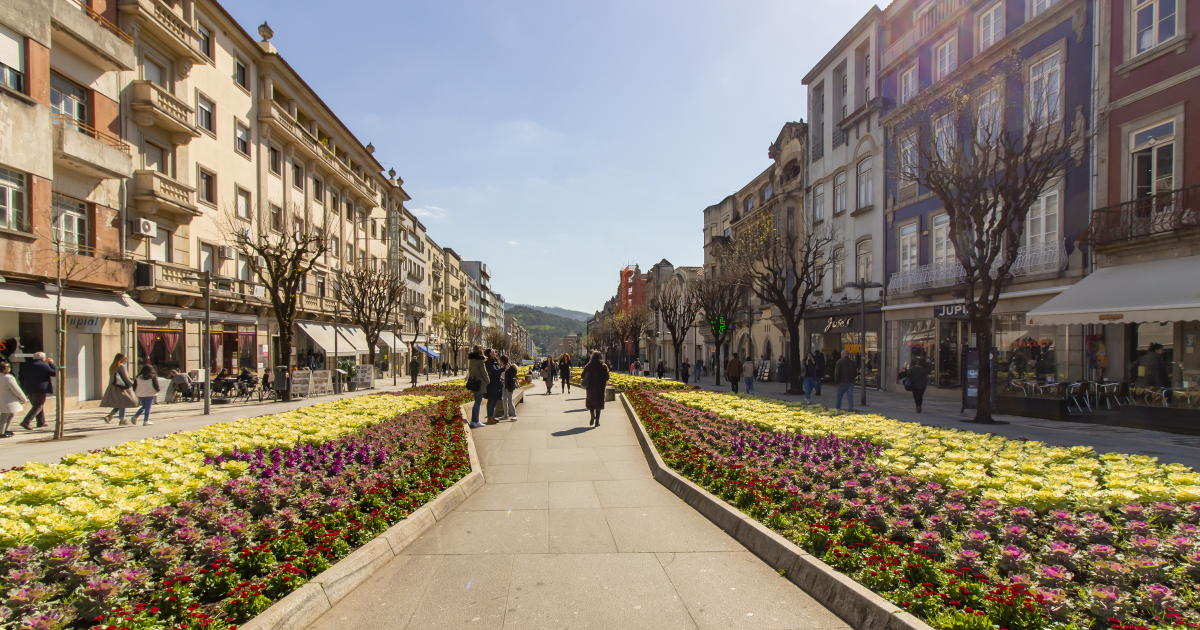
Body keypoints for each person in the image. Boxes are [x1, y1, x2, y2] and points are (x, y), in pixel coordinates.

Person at [18, 352, 57, 430]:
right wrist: (51, 364)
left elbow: (20, 378)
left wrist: (24, 388)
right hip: (40, 389)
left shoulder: (26, 366)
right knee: (38, 405)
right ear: (43, 358)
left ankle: (41, 422)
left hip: (29, 389)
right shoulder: (42, 365)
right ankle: (26, 421)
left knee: (37, 405)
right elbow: (54, 373)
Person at [99, 353, 138, 425]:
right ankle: (122, 420)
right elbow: (126, 378)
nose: (127, 359)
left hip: (114, 388)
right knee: (124, 402)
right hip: (121, 388)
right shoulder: (121, 367)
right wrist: (133, 385)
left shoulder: (112, 367)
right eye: (125, 358)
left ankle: (110, 416)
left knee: (120, 403)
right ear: (121, 359)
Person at [581, 351, 610, 426]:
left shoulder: (589, 365)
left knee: (591, 403)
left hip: (591, 387)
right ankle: (597, 420)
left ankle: (592, 416)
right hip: (600, 388)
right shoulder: (603, 366)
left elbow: (582, 375)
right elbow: (607, 377)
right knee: (598, 405)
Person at [0, 360, 27, 437]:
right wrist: (23, 398)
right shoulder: (8, 378)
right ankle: (1, 432)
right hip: (8, 400)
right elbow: (16, 390)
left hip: (2, 399)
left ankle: (6, 429)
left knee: (11, 414)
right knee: (5, 415)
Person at [466, 345, 489, 428]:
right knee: (478, 403)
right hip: (480, 383)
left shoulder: (471, 360)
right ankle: (475, 421)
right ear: (480, 350)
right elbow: (484, 372)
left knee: (476, 402)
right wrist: (488, 381)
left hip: (474, 383)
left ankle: (473, 421)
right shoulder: (480, 361)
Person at [484, 349, 504, 424]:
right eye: (493, 352)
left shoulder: (495, 360)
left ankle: (492, 416)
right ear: (489, 353)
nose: (494, 353)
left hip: (496, 383)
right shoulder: (489, 361)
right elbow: (494, 371)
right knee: (491, 400)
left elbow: (497, 370)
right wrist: (504, 368)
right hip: (491, 384)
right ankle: (490, 417)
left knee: (495, 400)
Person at [498, 355, 518, 421]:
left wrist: (511, 389)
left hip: (509, 386)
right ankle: (505, 415)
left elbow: (511, 379)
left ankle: (514, 415)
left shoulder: (510, 368)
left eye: (501, 361)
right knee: (504, 401)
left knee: (510, 400)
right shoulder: (503, 367)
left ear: (503, 361)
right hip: (503, 385)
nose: (500, 362)